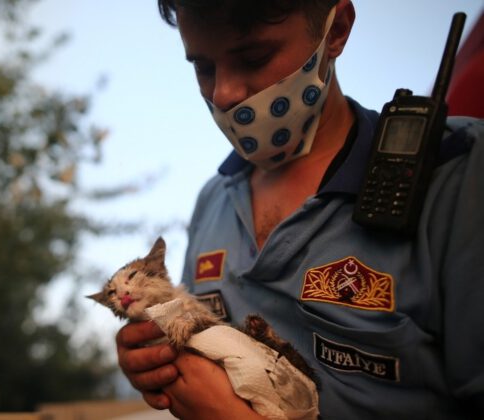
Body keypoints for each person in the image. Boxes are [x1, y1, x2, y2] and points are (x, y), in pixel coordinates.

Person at [115, 0, 484, 418]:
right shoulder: (214, 199)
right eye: (203, 67)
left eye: (253, 57)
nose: (224, 93)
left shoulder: (455, 172)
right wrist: (157, 356)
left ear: (337, 31)